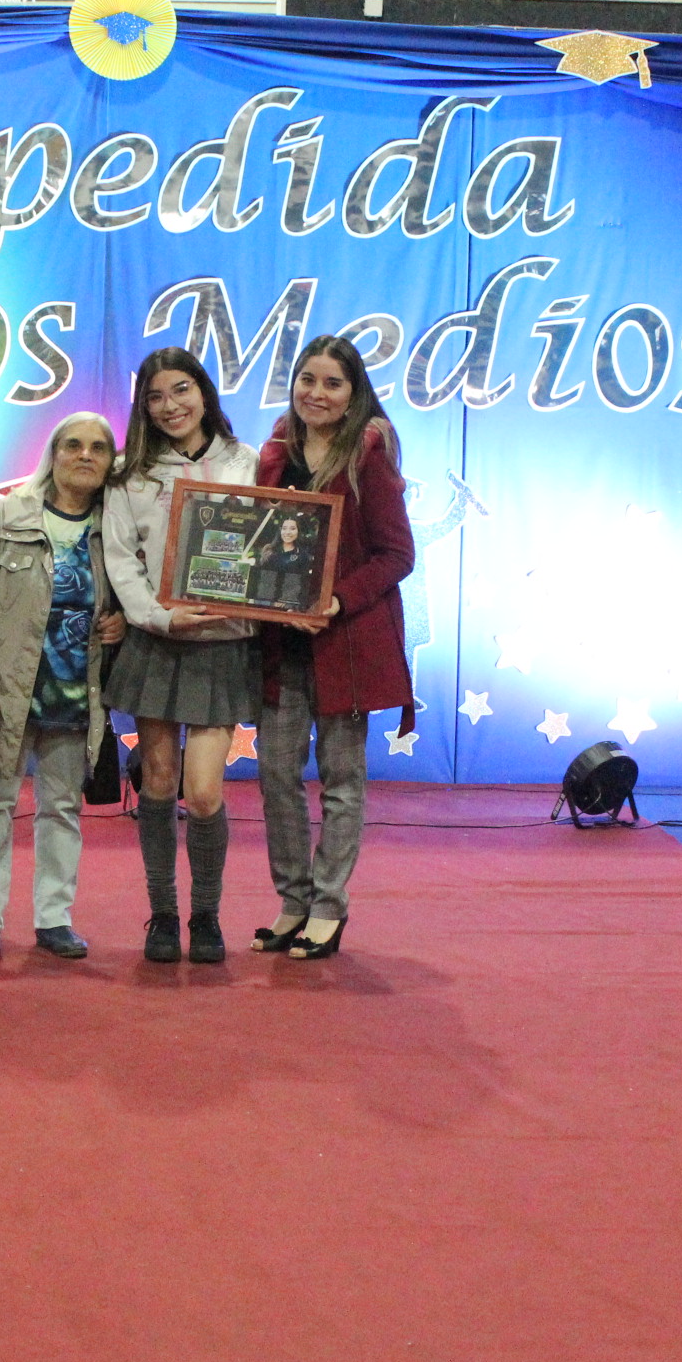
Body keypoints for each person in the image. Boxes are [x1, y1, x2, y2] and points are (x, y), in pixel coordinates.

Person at [0, 412, 126, 958]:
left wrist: (123, 623)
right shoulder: (9, 515)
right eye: (73, 445)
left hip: (77, 696)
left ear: (110, 461)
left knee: (62, 808)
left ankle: (54, 920)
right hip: (7, 693)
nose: (85, 455)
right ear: (53, 453)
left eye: (98, 447)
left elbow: (136, 595)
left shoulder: (116, 527)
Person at [253, 334, 416, 960]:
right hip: (281, 645)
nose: (316, 393)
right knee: (276, 777)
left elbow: (397, 555)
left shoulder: (368, 454)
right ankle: (293, 900)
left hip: (344, 645)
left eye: (332, 383)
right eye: (307, 380)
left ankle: (328, 907)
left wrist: (338, 600)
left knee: (341, 781)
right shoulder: (274, 451)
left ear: (354, 393)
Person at [100, 349, 261, 964]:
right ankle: (164, 915)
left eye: (181, 390)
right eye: (156, 396)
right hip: (156, 642)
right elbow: (121, 561)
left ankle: (207, 915)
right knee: (160, 782)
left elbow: (273, 549)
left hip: (224, 643)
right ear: (143, 407)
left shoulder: (247, 462)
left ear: (204, 392)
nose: (170, 406)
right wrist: (159, 616)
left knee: (205, 792)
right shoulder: (128, 474)